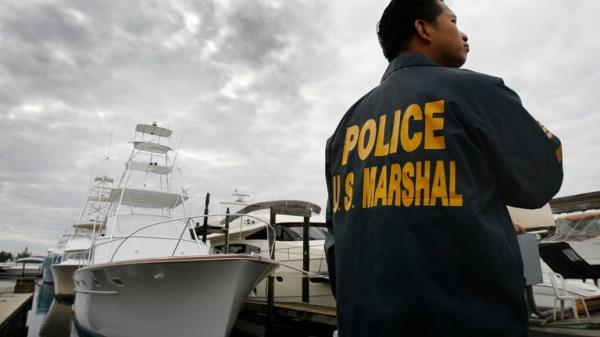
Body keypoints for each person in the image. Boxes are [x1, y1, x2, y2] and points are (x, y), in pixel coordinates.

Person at [324, 0, 563, 336]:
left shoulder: (344, 128)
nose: (463, 34)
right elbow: (541, 180)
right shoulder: (478, 92)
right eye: (453, 21)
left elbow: (336, 243)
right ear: (423, 29)